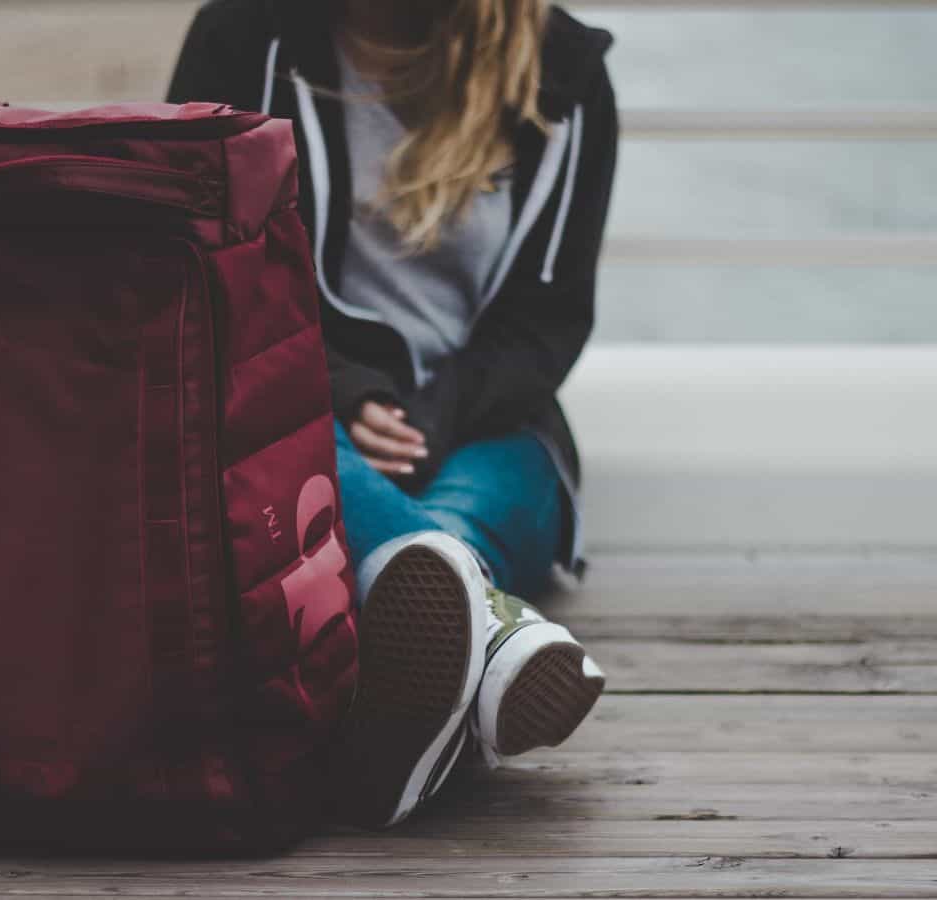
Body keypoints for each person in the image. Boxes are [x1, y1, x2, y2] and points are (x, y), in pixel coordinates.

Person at [168, 0, 616, 827]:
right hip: (287, 403)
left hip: (489, 421)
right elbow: (194, 257)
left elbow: (547, 323)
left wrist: (434, 415)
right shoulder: (245, 35)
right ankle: (490, 641)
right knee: (297, 462)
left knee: (471, 513)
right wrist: (340, 387)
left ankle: (439, 642)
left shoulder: (566, 71)